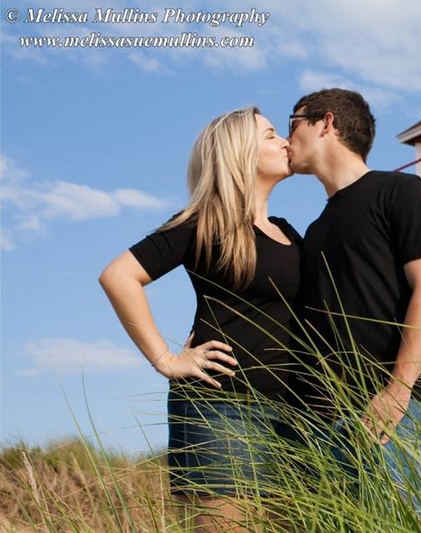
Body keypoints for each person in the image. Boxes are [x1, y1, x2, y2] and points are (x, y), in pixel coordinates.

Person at [99, 106, 301, 532]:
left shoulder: (289, 231)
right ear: (240, 153)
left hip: (291, 417)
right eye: (269, 136)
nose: (285, 141)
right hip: (220, 411)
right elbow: (119, 276)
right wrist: (167, 361)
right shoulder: (206, 221)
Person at [287, 88, 421, 527]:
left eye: (293, 123)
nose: (287, 139)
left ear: (326, 123)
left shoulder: (401, 191)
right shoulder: (316, 228)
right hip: (321, 427)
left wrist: (399, 390)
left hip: (396, 416)